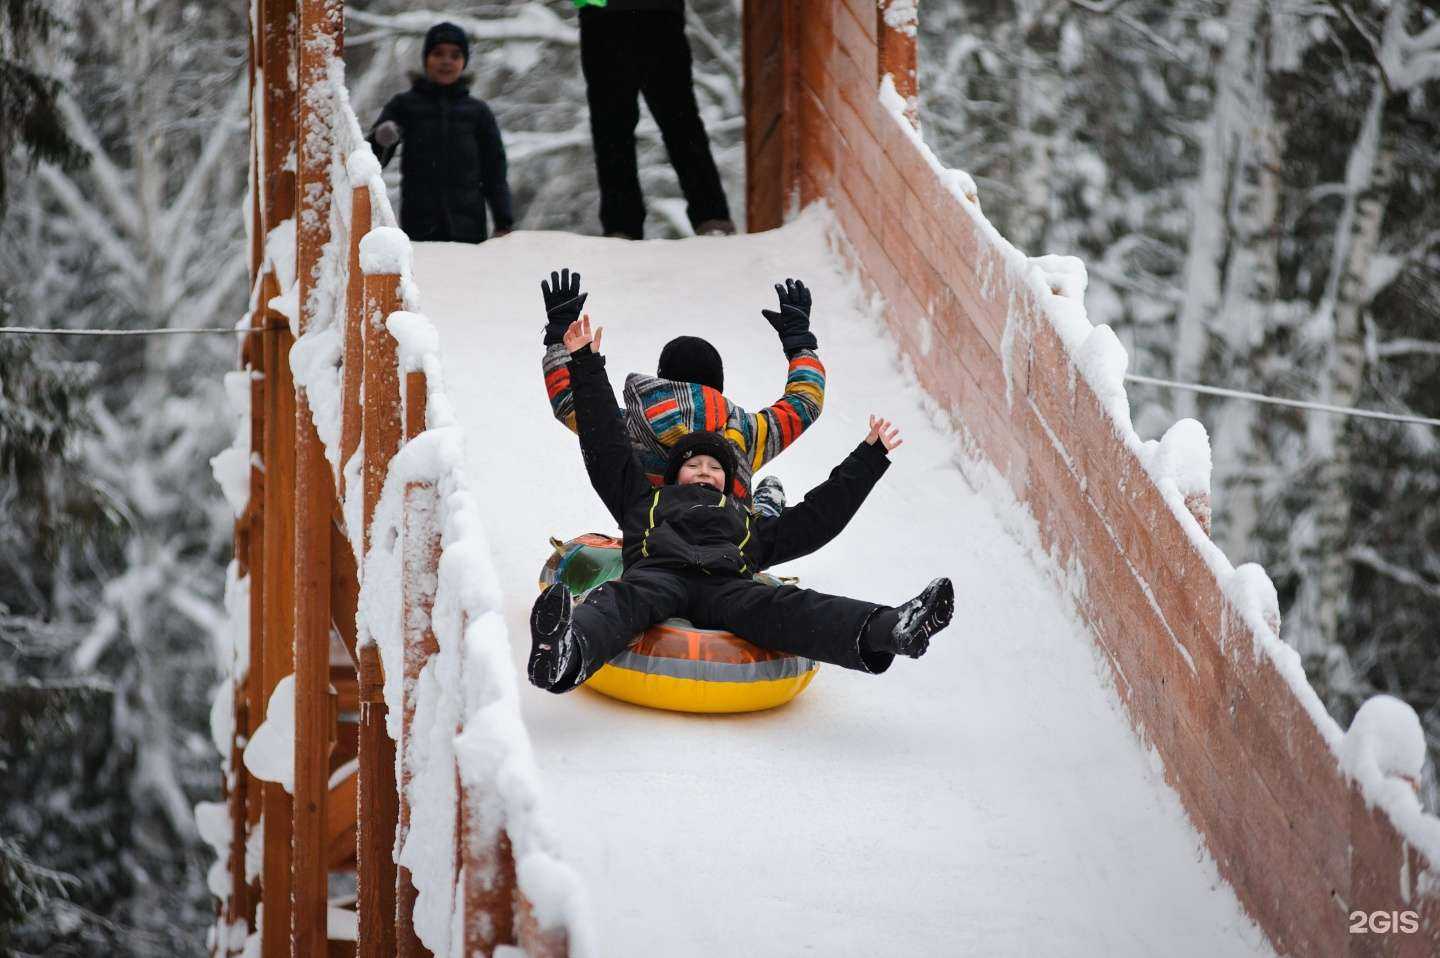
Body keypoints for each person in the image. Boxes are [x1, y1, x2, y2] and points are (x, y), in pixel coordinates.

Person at [526, 315, 955, 694]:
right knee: (616, 603)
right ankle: (565, 654)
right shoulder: (645, 501)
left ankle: (892, 628)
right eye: (693, 464)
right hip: (657, 575)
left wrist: (867, 457)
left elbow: (816, 520)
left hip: (726, 586)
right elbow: (606, 444)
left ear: (730, 483)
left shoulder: (744, 524)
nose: (704, 471)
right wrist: (585, 363)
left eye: (714, 467)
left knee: (791, 606)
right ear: (675, 474)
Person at [539, 268, 824, 517]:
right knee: (756, 522)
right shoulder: (743, 432)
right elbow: (803, 403)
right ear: (717, 387)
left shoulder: (629, 427)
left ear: (661, 380)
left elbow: (570, 403)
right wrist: (799, 345)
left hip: (651, 538)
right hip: (729, 541)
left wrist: (559, 339)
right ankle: (765, 510)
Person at [574, 0, 734, 239]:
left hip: (608, 14)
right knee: (679, 120)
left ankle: (622, 226)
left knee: (613, 128)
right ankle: (711, 217)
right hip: (654, 12)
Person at [368, 22, 514, 244]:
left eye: (455, 55)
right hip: (419, 227)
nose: (446, 61)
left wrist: (504, 222)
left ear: (463, 62)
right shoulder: (404, 105)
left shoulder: (478, 112)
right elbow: (370, 161)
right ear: (426, 58)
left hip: (469, 231)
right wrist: (381, 139)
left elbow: (495, 171)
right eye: (438, 54)